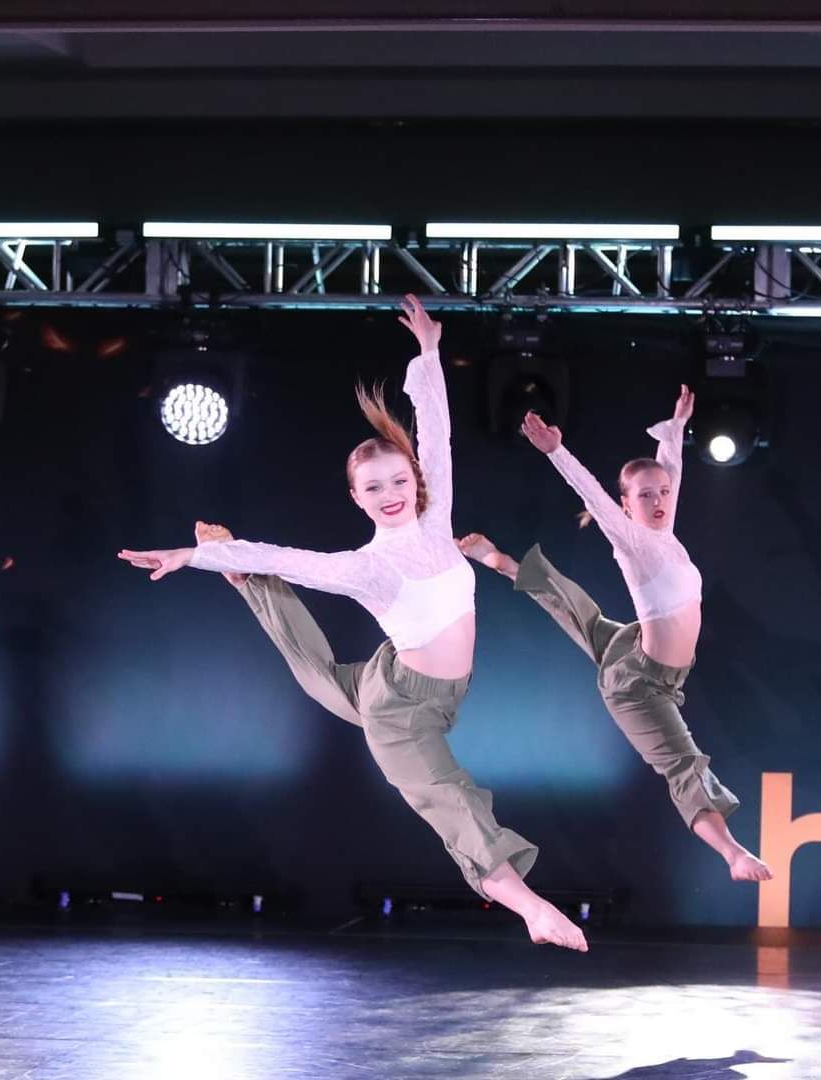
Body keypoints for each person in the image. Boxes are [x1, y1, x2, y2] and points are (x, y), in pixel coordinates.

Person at [119, 295, 587, 951]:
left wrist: (427, 354)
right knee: (450, 799)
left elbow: (435, 431)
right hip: (401, 713)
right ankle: (530, 907)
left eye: (399, 480)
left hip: (403, 682)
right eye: (374, 488)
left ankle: (240, 579)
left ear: (416, 480)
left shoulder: (435, 516)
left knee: (314, 668)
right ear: (357, 498)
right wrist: (190, 554)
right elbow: (286, 556)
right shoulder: (368, 566)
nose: (391, 493)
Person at [460, 388, 770, 883]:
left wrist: (676, 426)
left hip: (642, 655)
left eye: (663, 493)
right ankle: (733, 854)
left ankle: (499, 561)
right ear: (626, 507)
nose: (659, 501)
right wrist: (556, 452)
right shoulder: (632, 541)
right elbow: (594, 497)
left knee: (577, 609)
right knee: (683, 763)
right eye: (644, 496)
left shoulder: (664, 533)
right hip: (638, 687)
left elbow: (672, 473)